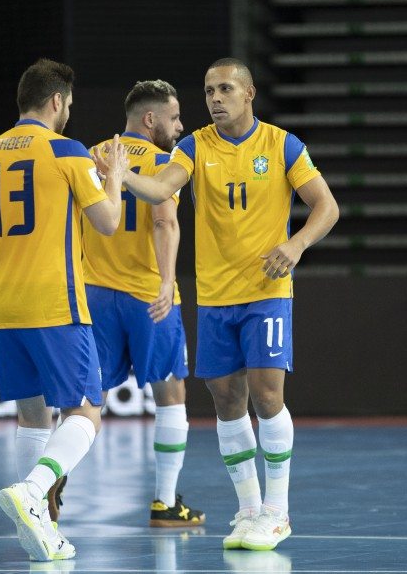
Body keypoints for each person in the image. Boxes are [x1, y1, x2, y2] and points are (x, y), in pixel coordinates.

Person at [94, 58, 339, 551]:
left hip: (266, 292)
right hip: (215, 297)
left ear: (249, 93)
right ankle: (248, 509)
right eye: (208, 90)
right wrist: (121, 176)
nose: (214, 98)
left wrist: (294, 247)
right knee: (227, 404)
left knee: (268, 397)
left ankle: (278, 511)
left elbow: (327, 207)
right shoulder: (192, 146)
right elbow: (162, 189)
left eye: (225, 88)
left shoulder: (281, 144)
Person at [0, 58, 129, 562]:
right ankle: (35, 493)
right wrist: (116, 177)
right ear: (57, 100)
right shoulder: (67, 150)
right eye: (69, 105)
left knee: (32, 418)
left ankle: (39, 532)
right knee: (87, 409)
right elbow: (107, 222)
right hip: (56, 301)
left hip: (4, 306)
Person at [80, 79, 204, 527]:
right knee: (170, 393)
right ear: (150, 120)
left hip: (94, 294)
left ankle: (52, 492)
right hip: (149, 296)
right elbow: (165, 222)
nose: (180, 126)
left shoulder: (92, 155)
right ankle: (165, 502)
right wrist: (168, 283)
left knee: (86, 399)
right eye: (173, 117)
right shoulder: (162, 161)